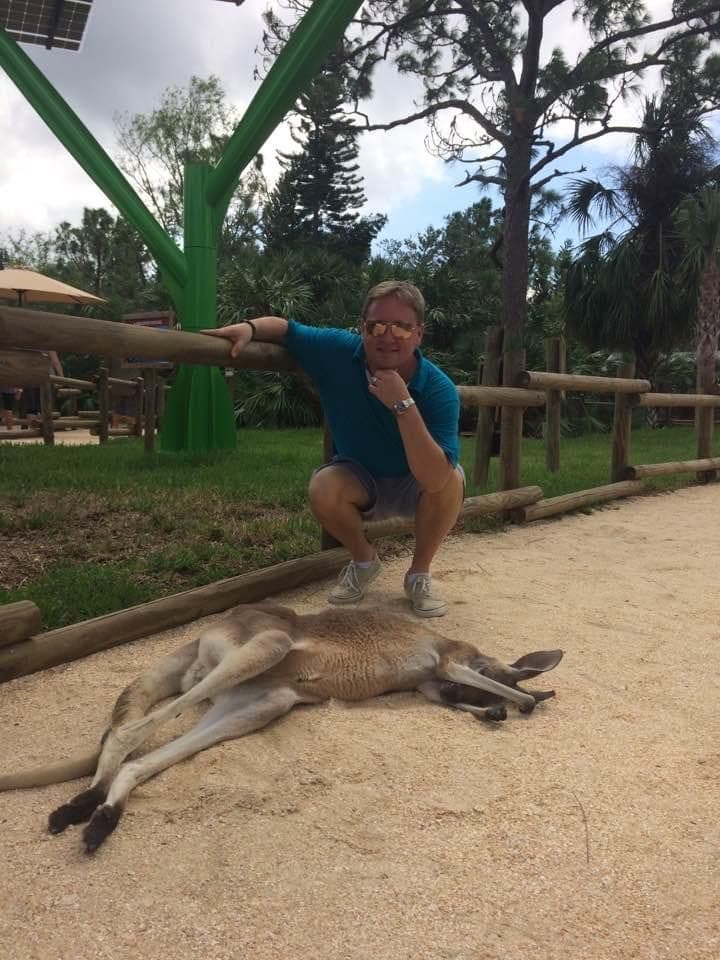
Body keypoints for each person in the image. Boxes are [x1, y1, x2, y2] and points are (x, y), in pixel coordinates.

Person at [203, 280, 464, 618]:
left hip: (415, 485)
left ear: (418, 334)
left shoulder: (439, 388)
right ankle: (364, 561)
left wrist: (403, 403)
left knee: (450, 479)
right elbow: (286, 329)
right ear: (362, 329)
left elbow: (433, 478)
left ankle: (419, 574)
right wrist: (249, 328)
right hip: (360, 479)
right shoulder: (339, 351)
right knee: (323, 485)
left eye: (401, 327)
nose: (387, 336)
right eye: (377, 326)